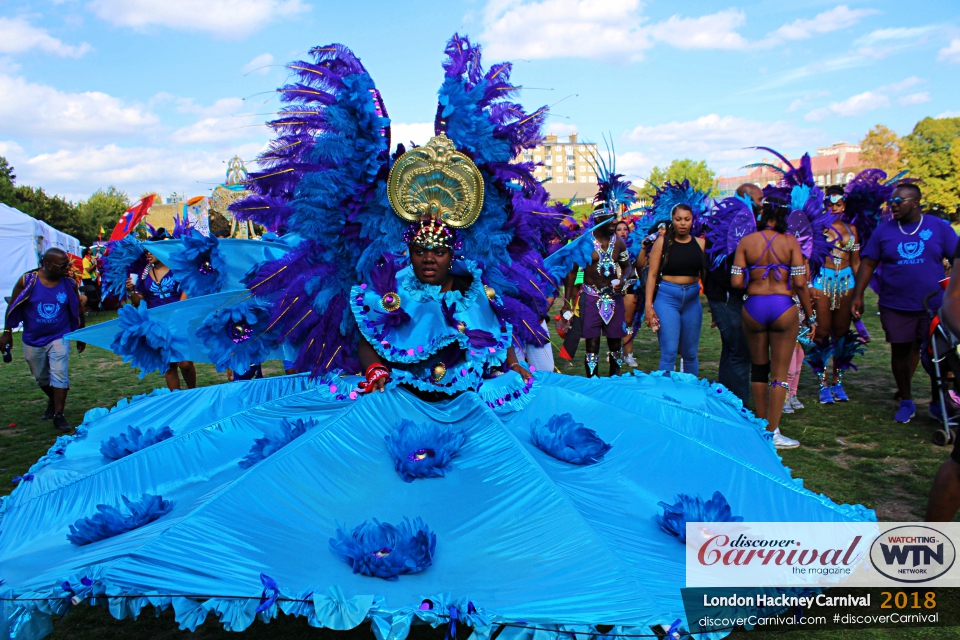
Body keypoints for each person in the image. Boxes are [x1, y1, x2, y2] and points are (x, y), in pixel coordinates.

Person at [6, 37, 875, 638]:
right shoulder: (381, 293)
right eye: (417, 241)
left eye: (442, 241)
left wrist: (484, 336)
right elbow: (381, 335)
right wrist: (399, 362)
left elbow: (495, 333)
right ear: (401, 239)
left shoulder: (478, 291)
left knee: (609, 488)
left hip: (485, 408)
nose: (429, 250)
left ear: (459, 238)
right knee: (234, 477)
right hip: (388, 408)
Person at [852, 183, 959, 423]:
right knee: (900, 352)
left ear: (915, 203)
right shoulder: (884, 231)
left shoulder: (939, 228)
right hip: (895, 304)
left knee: (937, 355)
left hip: (933, 305)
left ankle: (937, 402)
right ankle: (907, 400)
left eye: (899, 201)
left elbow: (956, 257)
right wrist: (858, 294)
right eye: (891, 201)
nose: (893, 205)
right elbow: (868, 263)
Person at [730, 200, 815, 449]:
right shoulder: (790, 242)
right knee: (779, 373)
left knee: (758, 368)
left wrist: (752, 282)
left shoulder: (746, 242)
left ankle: (759, 425)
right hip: (783, 307)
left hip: (754, 306)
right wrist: (810, 316)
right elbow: (800, 283)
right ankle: (773, 431)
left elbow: (736, 283)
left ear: (762, 215)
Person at [1, 248, 85, 431]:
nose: (68, 268)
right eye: (63, 265)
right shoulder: (28, 281)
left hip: (59, 336)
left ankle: (59, 415)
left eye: (68, 264)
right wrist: (7, 332)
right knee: (41, 377)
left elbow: (77, 308)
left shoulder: (69, 284)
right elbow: (13, 305)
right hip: (33, 338)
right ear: (47, 265)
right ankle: (53, 399)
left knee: (60, 373)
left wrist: (80, 334)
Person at [703, 184, 757, 405]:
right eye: (759, 199)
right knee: (740, 351)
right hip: (726, 297)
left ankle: (725, 399)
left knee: (731, 349)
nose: (762, 204)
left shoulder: (739, 225)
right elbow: (714, 265)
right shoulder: (730, 227)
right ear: (747, 198)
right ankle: (738, 404)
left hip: (724, 297)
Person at [561, 210, 630, 377]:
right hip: (591, 298)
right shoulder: (585, 243)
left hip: (614, 299)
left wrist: (623, 280)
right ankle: (594, 382)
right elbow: (572, 273)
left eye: (615, 219)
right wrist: (566, 303)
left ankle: (615, 381)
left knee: (615, 342)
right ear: (598, 220)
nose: (615, 223)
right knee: (592, 344)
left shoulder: (618, 242)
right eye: (611, 220)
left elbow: (628, 266)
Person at [810, 185, 861, 404]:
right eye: (830, 205)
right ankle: (822, 385)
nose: (835, 209)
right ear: (824, 206)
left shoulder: (853, 230)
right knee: (821, 334)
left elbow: (857, 262)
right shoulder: (817, 228)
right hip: (823, 282)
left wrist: (859, 293)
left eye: (839, 204)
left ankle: (838, 383)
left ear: (844, 205)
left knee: (842, 336)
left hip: (846, 283)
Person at [644, 204, 706, 375]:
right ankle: (666, 394)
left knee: (690, 354)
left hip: (692, 299)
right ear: (672, 220)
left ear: (693, 220)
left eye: (687, 219)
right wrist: (648, 307)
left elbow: (706, 275)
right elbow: (652, 275)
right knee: (669, 352)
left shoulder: (700, 244)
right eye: (678, 219)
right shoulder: (662, 243)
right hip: (667, 297)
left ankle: (689, 394)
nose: (683, 223)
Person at [125, 248, 197, 391]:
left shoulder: (176, 269)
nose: (149, 255)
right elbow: (139, 302)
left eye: (151, 251)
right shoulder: (144, 275)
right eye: (146, 253)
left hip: (179, 321)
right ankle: (176, 399)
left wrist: (179, 312)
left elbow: (186, 289)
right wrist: (131, 290)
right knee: (169, 365)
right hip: (157, 325)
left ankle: (193, 392)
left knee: (185, 363)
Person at [615, 219, 640, 368]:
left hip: (630, 287)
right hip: (612, 288)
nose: (623, 232)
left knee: (628, 321)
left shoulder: (634, 247)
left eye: (625, 229)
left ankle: (629, 354)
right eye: (619, 229)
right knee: (615, 323)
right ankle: (616, 351)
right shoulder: (609, 248)